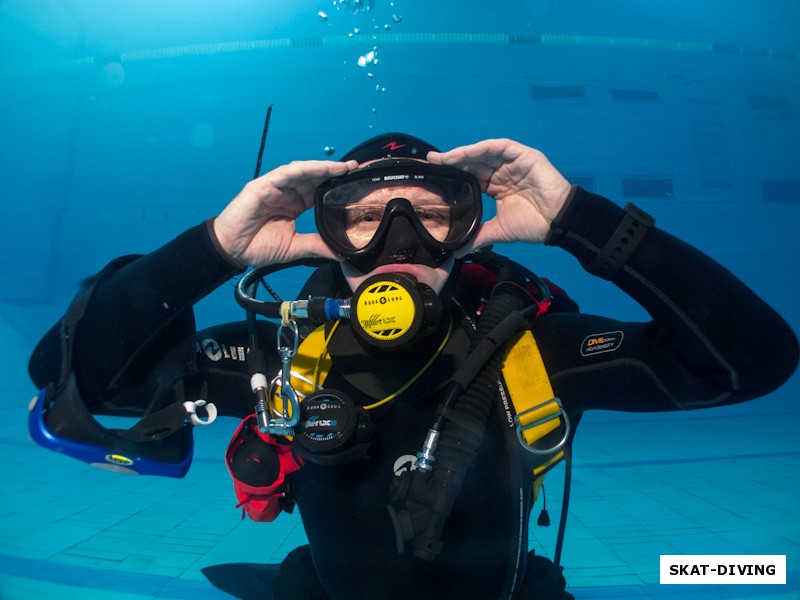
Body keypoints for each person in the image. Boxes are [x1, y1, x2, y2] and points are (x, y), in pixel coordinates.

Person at [28, 133, 798, 600]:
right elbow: (79, 378)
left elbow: (753, 361)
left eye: (431, 215)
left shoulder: (533, 351)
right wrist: (214, 249)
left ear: (469, 231)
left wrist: (577, 221)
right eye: (363, 217)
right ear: (326, 233)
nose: (398, 241)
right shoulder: (286, 350)